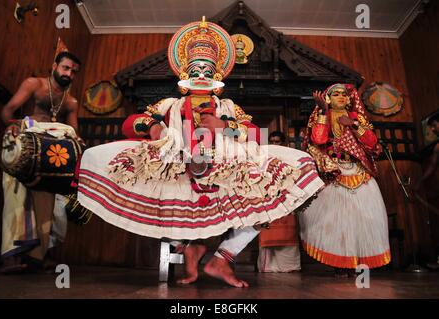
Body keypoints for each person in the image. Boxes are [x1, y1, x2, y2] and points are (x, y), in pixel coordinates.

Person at [75, 18, 324, 287]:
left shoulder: (227, 107)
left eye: (208, 70)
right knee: (139, 180)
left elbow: (255, 134)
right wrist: (154, 128)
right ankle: (188, 249)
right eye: (195, 70)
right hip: (178, 167)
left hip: (224, 169)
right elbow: (129, 125)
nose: (202, 75)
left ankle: (222, 259)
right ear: (184, 76)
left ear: (217, 76)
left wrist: (223, 127)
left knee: (275, 189)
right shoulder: (170, 104)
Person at [0, 51, 82, 273]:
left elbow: (75, 133)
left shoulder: (71, 102)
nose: (69, 73)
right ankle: (11, 259)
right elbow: (7, 111)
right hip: (24, 147)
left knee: (50, 207)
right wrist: (14, 125)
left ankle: (38, 257)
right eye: (65, 68)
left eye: (73, 71)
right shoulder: (33, 84)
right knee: (17, 202)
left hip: (48, 156)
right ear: (54, 65)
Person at [299, 83, 391, 277]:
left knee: (364, 219)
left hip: (358, 171)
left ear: (349, 99)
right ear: (328, 99)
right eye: (336, 94)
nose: (341, 96)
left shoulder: (357, 117)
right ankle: (340, 264)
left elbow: (372, 143)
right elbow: (318, 140)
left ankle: (361, 264)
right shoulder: (321, 115)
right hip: (334, 172)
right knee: (335, 220)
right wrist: (324, 111)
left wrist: (354, 125)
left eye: (344, 94)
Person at [257, 131, 301, 272]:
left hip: (287, 198)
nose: (275, 144)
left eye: (278, 142)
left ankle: (290, 266)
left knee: (287, 233)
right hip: (267, 198)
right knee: (268, 231)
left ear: (284, 143)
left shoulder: (291, 157)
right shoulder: (261, 158)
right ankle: (268, 267)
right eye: (272, 142)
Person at [414, 113, 439, 269]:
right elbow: (432, 167)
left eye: (434, 125)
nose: (432, 129)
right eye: (431, 126)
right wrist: (419, 183)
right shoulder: (437, 146)